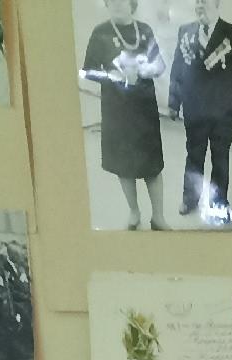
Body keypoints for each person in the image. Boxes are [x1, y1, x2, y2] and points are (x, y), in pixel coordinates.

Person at [81, 0, 169, 230]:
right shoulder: (100, 33)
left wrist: (148, 70)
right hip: (116, 110)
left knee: (152, 164)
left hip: (144, 109)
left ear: (132, 4)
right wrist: (114, 76)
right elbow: (87, 71)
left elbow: (160, 65)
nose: (117, 5)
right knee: (124, 164)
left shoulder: (145, 30)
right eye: (111, 1)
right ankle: (134, 212)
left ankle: (158, 217)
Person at [169, 0, 232, 225]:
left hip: (223, 112)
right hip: (195, 109)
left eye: (204, 1)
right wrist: (173, 102)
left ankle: (218, 203)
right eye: (197, 2)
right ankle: (190, 199)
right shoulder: (185, 31)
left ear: (216, 4)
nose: (199, 5)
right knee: (193, 157)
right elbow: (177, 68)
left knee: (220, 159)